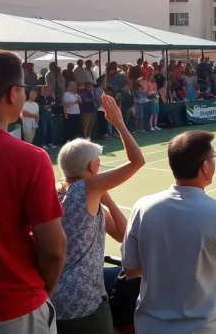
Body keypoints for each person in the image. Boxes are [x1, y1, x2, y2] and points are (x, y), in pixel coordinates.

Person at [0, 49, 66, 332]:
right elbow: (54, 249)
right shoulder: (30, 159)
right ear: (12, 94)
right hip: (14, 311)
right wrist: (43, 292)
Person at [121, 131, 216, 333]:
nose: (215, 162)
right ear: (204, 166)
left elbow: (131, 269)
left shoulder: (142, 207)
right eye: (214, 157)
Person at [51, 95, 145, 333]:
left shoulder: (55, 191)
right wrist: (119, 124)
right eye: (98, 162)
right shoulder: (87, 189)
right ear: (92, 167)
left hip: (49, 295)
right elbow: (137, 161)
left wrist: (107, 199)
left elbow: (122, 233)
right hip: (82, 301)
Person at [36, 85, 57, 150]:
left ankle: (50, 143)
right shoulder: (39, 98)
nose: (48, 92)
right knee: (44, 129)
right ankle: (43, 144)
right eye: (47, 91)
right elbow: (44, 107)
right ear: (43, 91)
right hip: (42, 115)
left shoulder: (50, 97)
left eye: (49, 91)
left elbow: (54, 102)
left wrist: (52, 98)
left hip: (49, 114)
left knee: (50, 128)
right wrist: (51, 104)